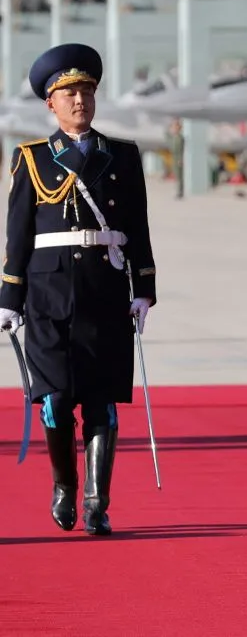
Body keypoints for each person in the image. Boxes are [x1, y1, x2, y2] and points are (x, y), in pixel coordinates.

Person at [0, 43, 157, 536]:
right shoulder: (31, 158)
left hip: (104, 289)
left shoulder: (123, 157)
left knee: (101, 397)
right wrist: (8, 298)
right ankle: (64, 484)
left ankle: (97, 501)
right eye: (69, 93)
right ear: (50, 103)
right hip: (46, 296)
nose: (79, 101)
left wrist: (144, 287)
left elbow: (138, 226)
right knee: (55, 398)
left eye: (86, 91)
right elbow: (17, 233)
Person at [167, 118, 184, 199]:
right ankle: (178, 191)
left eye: (175, 127)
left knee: (179, 176)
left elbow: (181, 150)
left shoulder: (180, 138)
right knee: (176, 176)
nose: (174, 129)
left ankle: (180, 192)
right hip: (174, 157)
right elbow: (167, 136)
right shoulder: (174, 137)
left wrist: (181, 159)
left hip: (178, 158)